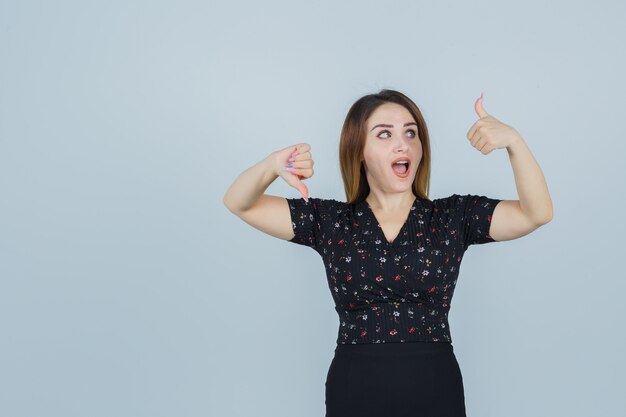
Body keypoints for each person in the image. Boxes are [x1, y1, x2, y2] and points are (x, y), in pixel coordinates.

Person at [223, 89, 553, 417]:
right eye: (384, 134)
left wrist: (515, 143)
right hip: (354, 390)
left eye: (411, 132)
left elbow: (535, 213)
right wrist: (271, 165)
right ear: (359, 151)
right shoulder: (331, 222)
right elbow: (239, 202)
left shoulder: (454, 217)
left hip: (436, 390)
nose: (403, 144)